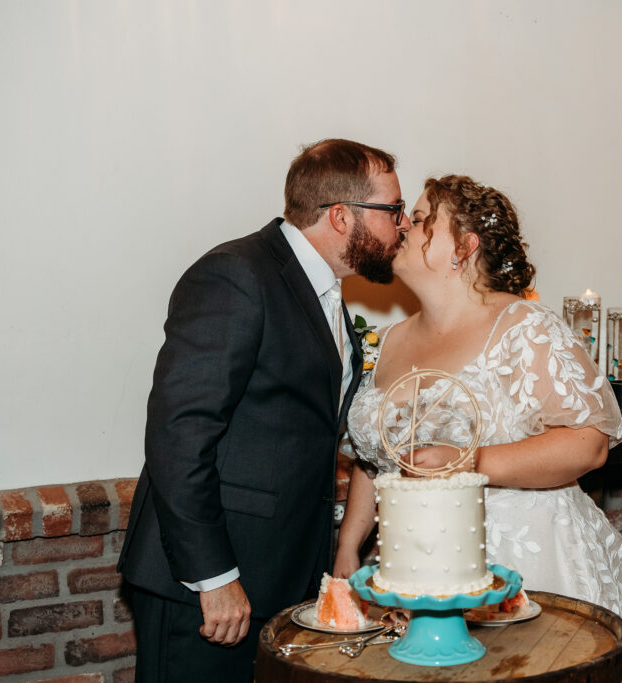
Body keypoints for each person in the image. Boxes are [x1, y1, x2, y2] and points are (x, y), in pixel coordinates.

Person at [334, 174, 622, 682]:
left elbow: (588, 443)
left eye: (424, 217)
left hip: (525, 558)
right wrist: (348, 545)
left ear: (464, 248)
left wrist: (469, 462)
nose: (404, 224)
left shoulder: (525, 328)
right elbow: (376, 455)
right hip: (417, 564)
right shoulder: (387, 340)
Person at [117, 138, 409, 682]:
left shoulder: (324, 290)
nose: (405, 225)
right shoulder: (237, 276)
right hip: (209, 588)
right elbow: (179, 435)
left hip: (280, 579)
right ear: (342, 216)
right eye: (394, 211)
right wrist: (214, 576)